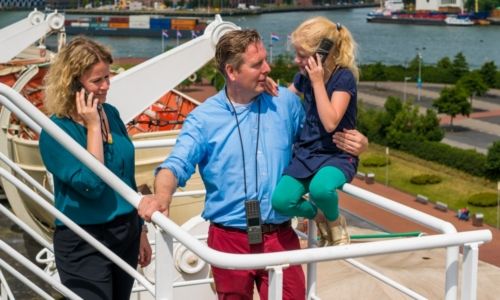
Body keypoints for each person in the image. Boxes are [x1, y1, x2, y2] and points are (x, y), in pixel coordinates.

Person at [138, 29, 367, 299]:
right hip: (228, 240)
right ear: (232, 72)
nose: (268, 68)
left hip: (280, 238)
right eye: (257, 64)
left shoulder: (286, 104)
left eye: (265, 60)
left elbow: (320, 141)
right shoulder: (203, 119)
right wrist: (162, 196)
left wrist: (360, 142)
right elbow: (175, 165)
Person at [39, 36, 151, 300]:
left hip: (126, 232)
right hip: (84, 239)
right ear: (73, 84)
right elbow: (92, 184)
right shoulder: (56, 131)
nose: (105, 86)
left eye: (107, 77)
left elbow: (126, 177)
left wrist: (142, 231)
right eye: (96, 80)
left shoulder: (110, 113)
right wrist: (92, 127)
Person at [271, 17, 360, 247]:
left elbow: (331, 122)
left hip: (336, 155)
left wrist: (318, 82)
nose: (296, 60)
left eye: (302, 55)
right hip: (308, 152)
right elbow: (286, 99)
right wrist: (267, 90)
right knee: (281, 200)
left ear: (322, 54)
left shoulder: (343, 77)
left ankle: (335, 221)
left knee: (321, 189)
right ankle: (318, 216)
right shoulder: (304, 77)